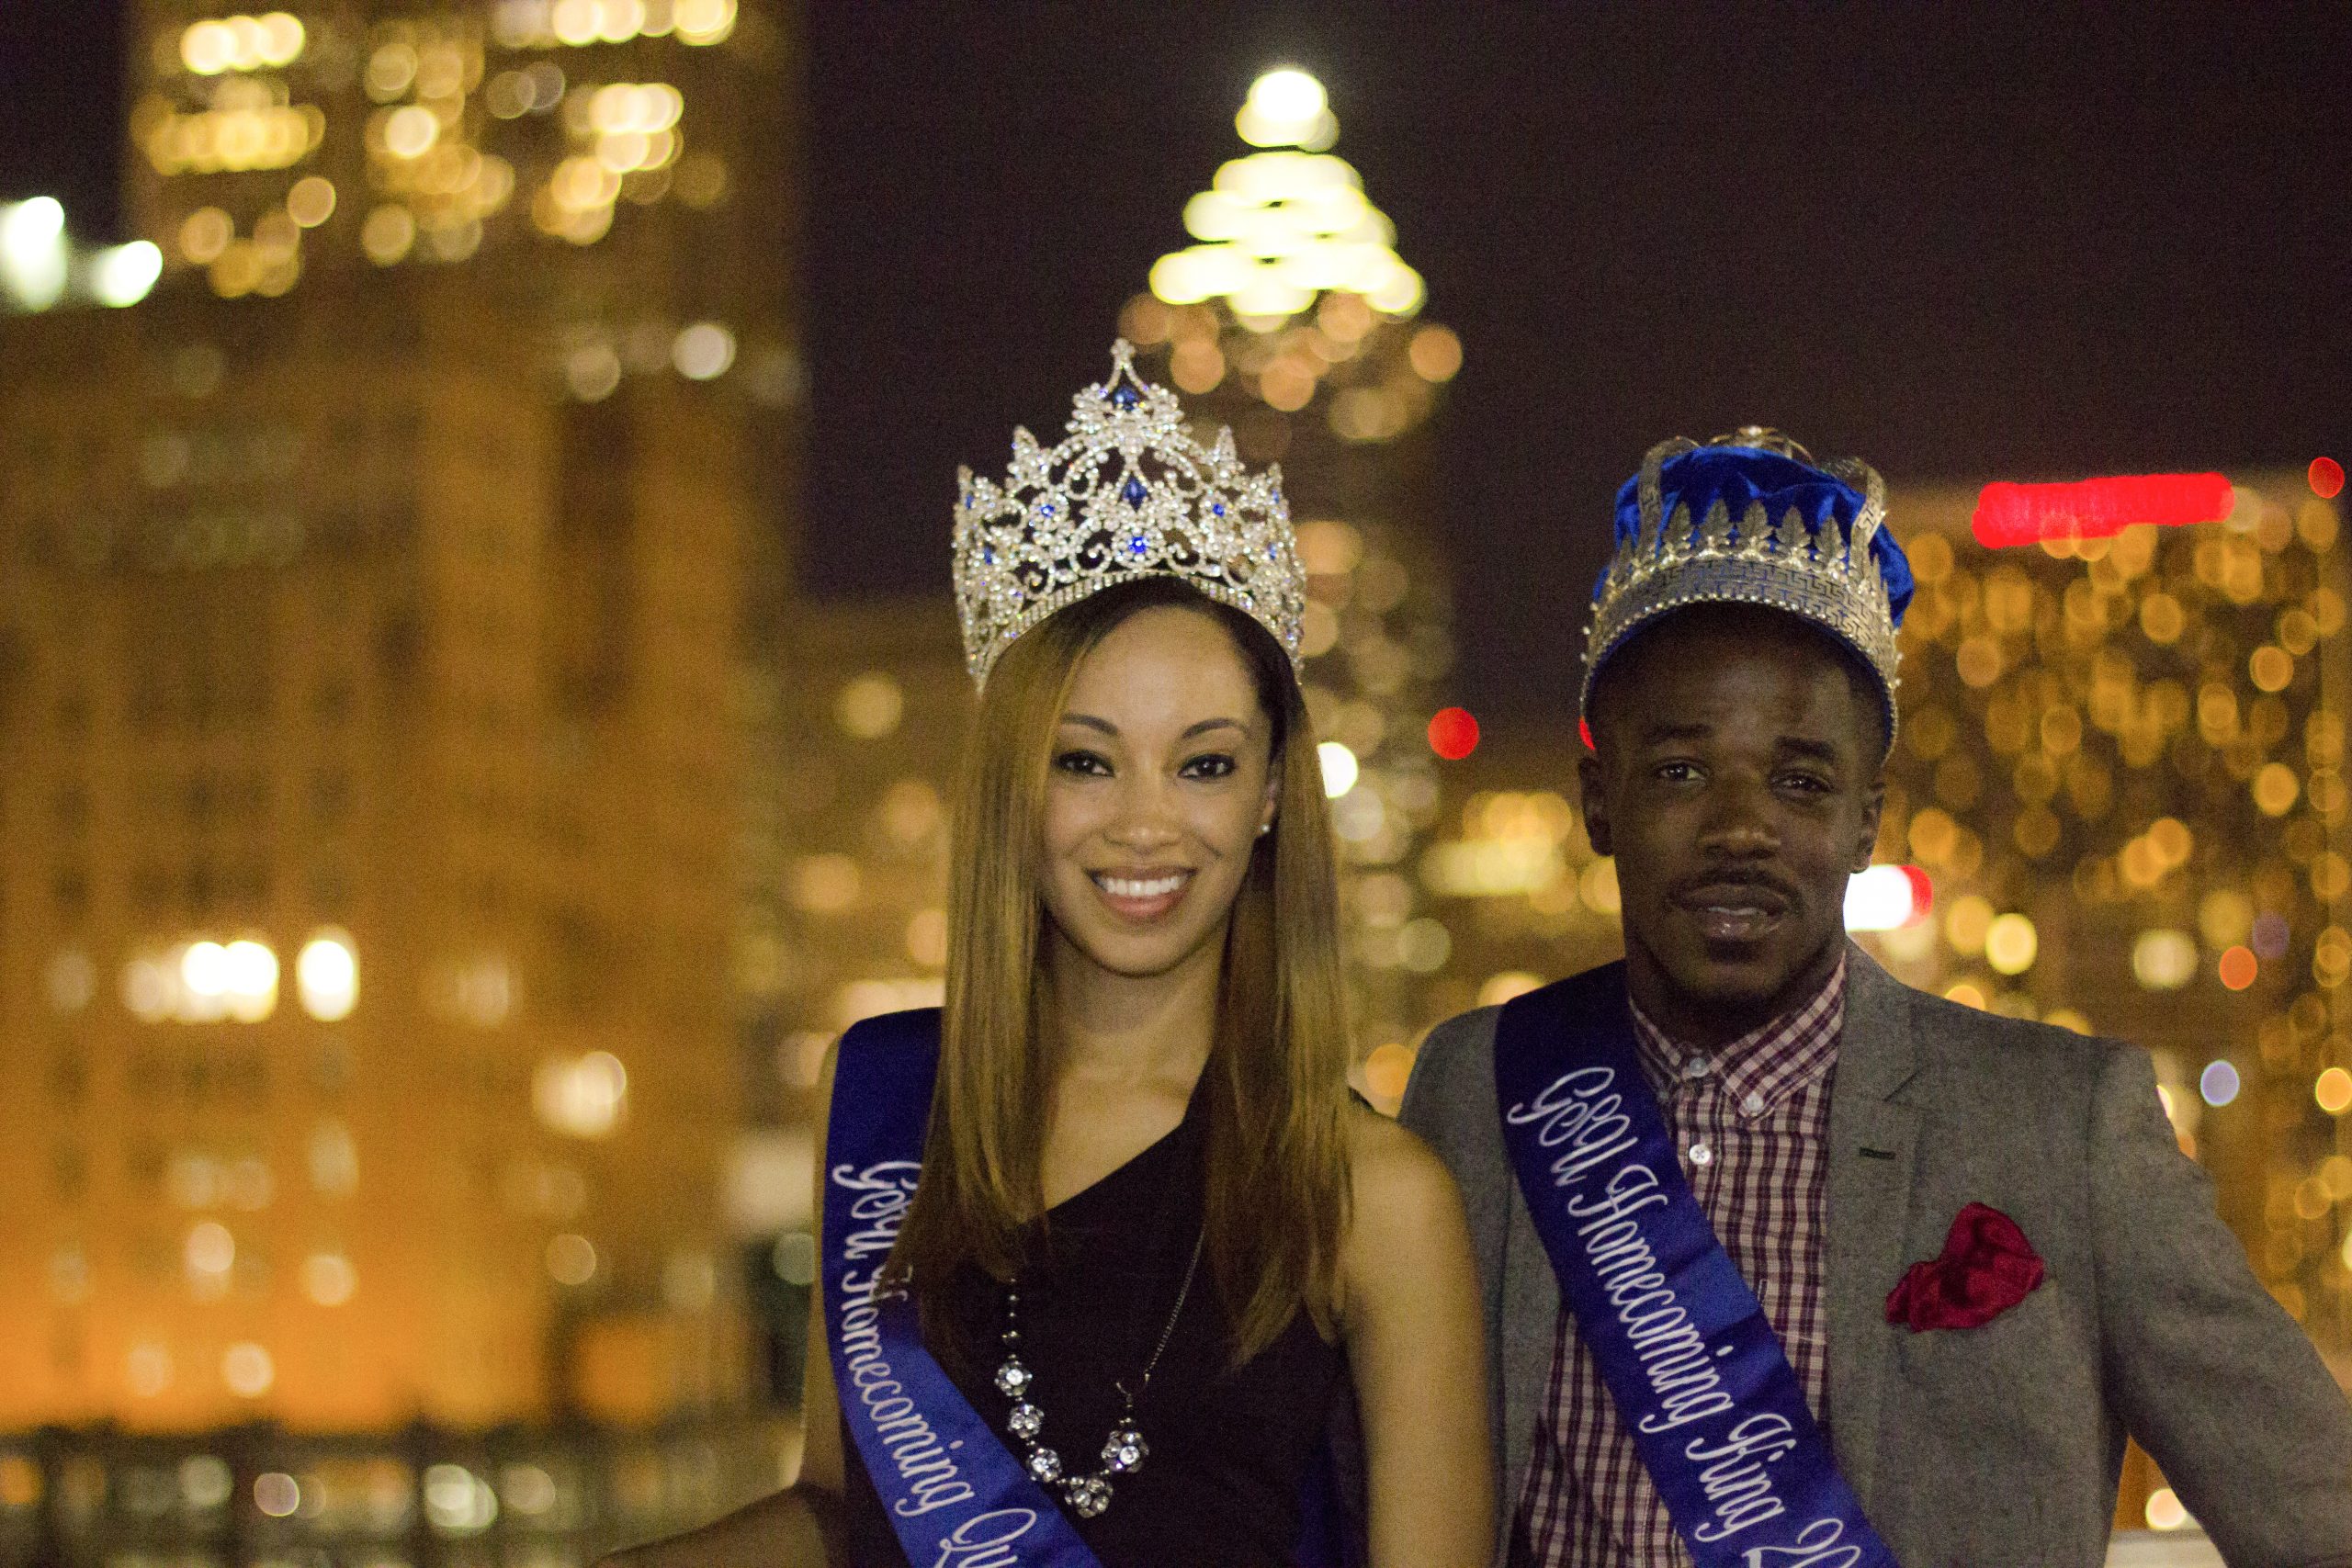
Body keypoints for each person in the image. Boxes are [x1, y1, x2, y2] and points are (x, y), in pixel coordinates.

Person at [601, 344, 1492, 1568]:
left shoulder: (1375, 1193)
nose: (1144, 820)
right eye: (1086, 757)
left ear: (1274, 791)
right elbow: (839, 1509)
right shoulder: (889, 1105)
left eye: (1205, 761)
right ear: (1017, 787)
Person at [1402, 429, 2352, 1568]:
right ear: (1597, 801)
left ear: (1866, 820)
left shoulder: (2063, 1127)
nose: (1741, 827)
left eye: (1799, 781)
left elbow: (2314, 1508)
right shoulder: (1483, 1085)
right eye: (1679, 772)